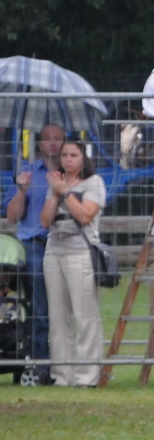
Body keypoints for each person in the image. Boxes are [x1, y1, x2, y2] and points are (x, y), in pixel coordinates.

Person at [40, 140, 105, 387]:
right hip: (54, 250)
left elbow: (85, 215)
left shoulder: (93, 183)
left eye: (73, 155)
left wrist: (66, 192)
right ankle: (62, 375)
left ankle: (87, 376)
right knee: (58, 317)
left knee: (84, 314)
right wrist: (55, 193)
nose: (68, 159)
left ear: (82, 158)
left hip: (80, 251)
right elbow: (45, 220)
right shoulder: (56, 185)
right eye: (64, 155)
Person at [6, 123, 65, 383]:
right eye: (47, 139)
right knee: (40, 306)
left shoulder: (72, 172)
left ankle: (64, 362)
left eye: (58, 139)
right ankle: (41, 365)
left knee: (63, 308)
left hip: (64, 244)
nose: (53, 144)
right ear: (40, 144)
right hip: (34, 245)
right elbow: (11, 217)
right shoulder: (28, 173)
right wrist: (21, 190)